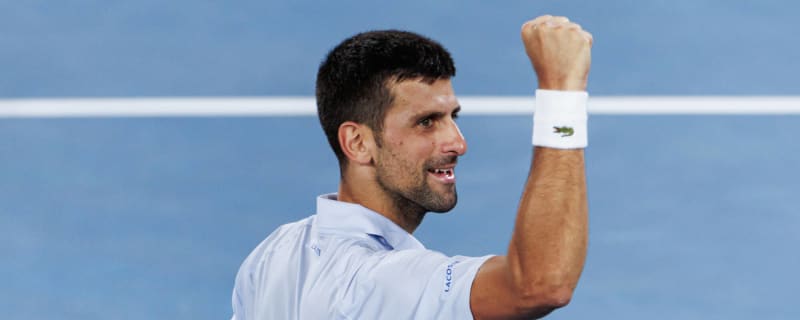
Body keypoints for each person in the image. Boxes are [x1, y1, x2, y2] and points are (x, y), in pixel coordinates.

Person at [232, 14, 592, 319]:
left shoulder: (275, 253)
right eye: (426, 122)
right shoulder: (377, 284)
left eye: (452, 117)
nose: (458, 143)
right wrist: (561, 92)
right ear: (358, 143)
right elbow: (540, 284)